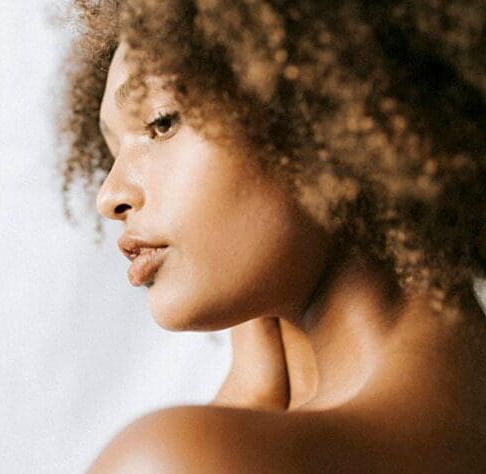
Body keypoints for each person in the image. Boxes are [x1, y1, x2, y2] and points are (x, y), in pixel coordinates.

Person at [57, 0, 486, 471]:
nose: (109, 196)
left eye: (162, 124)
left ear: (319, 106)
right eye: (112, 152)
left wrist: (235, 413)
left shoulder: (177, 459)